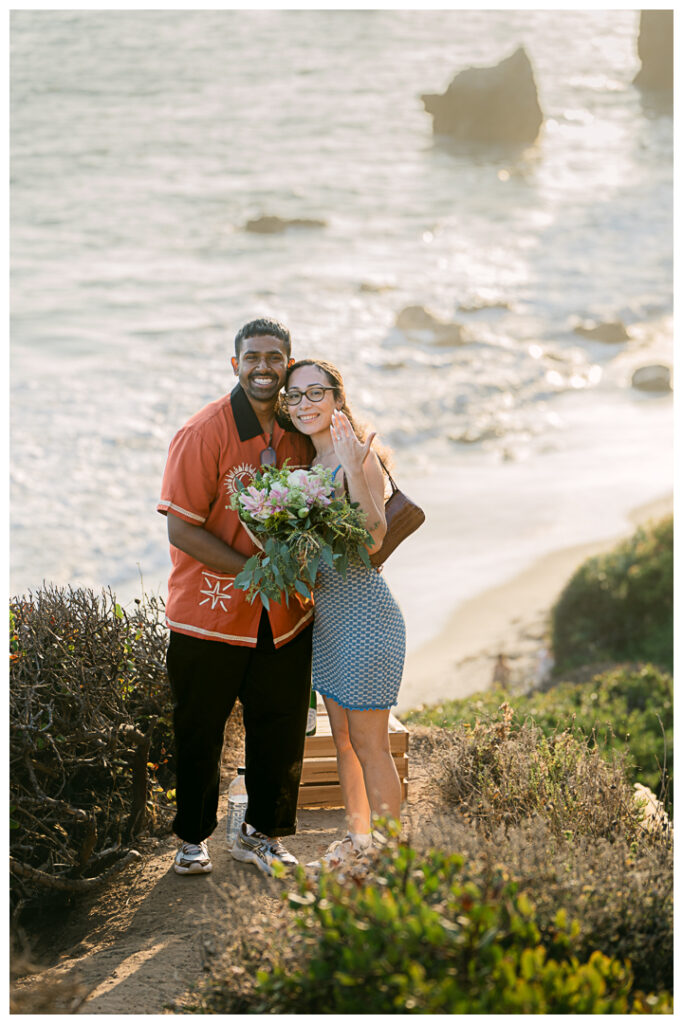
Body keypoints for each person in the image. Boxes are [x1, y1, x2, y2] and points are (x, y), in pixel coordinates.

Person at [157, 318, 314, 877]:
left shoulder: (303, 432)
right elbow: (182, 530)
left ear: (288, 365)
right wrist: (257, 569)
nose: (264, 367)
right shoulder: (203, 433)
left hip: (284, 616)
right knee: (199, 727)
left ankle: (262, 834)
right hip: (210, 613)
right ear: (236, 365)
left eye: (275, 357)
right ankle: (193, 837)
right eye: (253, 357)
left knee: (281, 723)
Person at [280, 359, 406, 869]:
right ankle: (359, 846)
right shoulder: (308, 468)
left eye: (316, 393)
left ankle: (392, 860)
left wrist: (355, 468)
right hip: (329, 623)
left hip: (367, 618)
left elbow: (374, 538)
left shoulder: (358, 455)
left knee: (372, 746)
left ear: (337, 398)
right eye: (295, 396)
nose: (305, 403)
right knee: (345, 745)